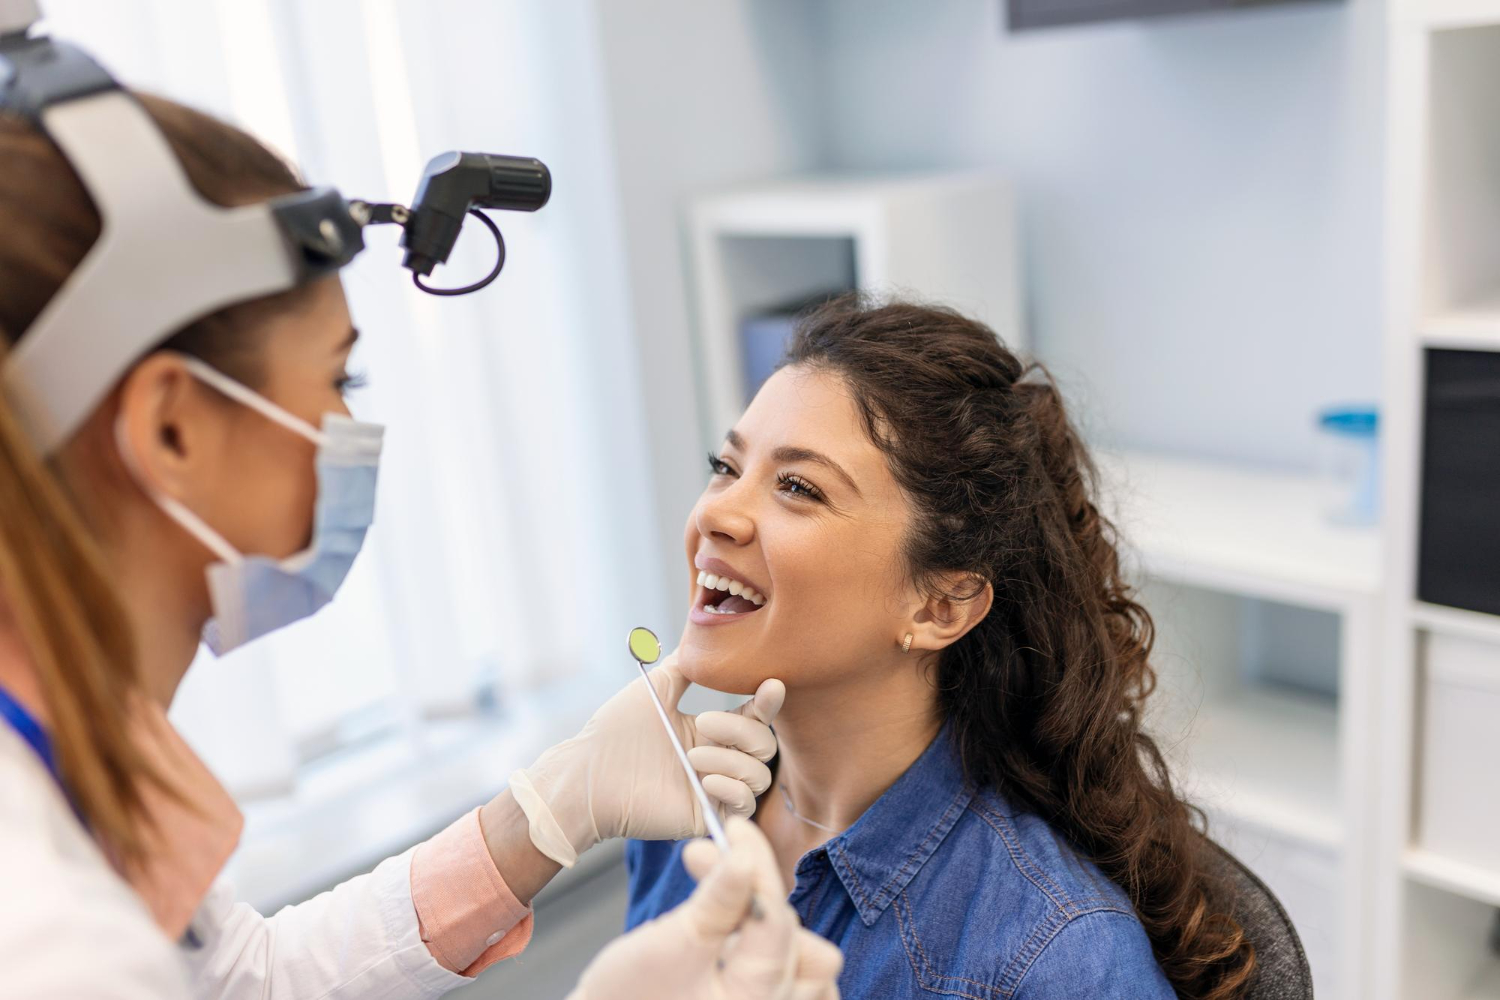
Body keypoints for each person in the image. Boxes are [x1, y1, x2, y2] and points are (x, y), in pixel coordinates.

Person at [0, 85, 841, 998]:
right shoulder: (50, 939)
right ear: (172, 430)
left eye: (799, 486)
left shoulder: (69, 738)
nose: (348, 424)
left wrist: (553, 808)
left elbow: (244, 979)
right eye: (340, 377)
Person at [626, 295, 1258, 999]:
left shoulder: (1057, 960)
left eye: (798, 487)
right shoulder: (677, 815)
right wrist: (539, 826)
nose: (715, 511)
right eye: (725, 465)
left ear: (940, 606)